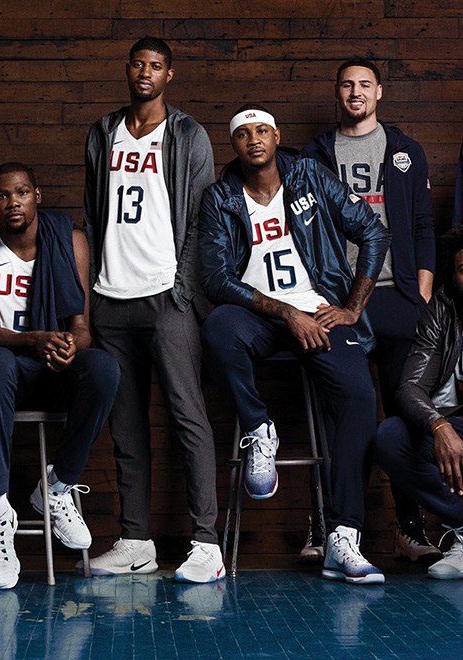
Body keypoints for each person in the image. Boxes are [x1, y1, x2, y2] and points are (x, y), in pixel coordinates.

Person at [199, 103, 390, 584]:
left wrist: (352, 307)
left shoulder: (310, 175)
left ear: (276, 135)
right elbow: (215, 278)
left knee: (360, 399)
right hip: (261, 316)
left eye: (263, 130)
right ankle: (259, 429)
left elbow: (372, 230)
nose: (255, 139)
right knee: (219, 328)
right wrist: (287, 312)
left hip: (322, 314)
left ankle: (343, 535)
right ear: (235, 145)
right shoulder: (220, 198)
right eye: (244, 133)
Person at [83, 37, 223, 582]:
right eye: (138, 64)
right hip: (112, 298)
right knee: (125, 426)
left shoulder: (187, 134)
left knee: (187, 415)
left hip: (166, 295)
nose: (146, 72)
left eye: (156, 65)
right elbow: (95, 218)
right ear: (127, 70)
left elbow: (202, 217)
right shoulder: (102, 132)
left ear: (171, 75)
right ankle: (136, 539)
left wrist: (182, 290)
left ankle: (206, 543)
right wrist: (91, 293)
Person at [0, 162, 119, 589]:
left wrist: (68, 346)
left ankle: (58, 486)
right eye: (3, 195)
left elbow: (82, 329)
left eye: (22, 193)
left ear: (37, 196)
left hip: (50, 366)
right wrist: (39, 339)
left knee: (102, 366)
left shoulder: (70, 240)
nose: (13, 203)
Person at [302, 58, 438, 564]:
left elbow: (424, 226)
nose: (355, 92)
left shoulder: (405, 150)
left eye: (364, 84)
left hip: (397, 297)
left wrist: (420, 292)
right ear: (336, 92)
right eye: (346, 84)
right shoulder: (313, 155)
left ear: (379, 92)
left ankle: (410, 526)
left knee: (407, 411)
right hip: (339, 300)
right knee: (346, 413)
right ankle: (330, 524)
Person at [376, 226, 463, 580]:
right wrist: (439, 426)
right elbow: (409, 387)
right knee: (390, 437)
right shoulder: (441, 310)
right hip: (453, 424)